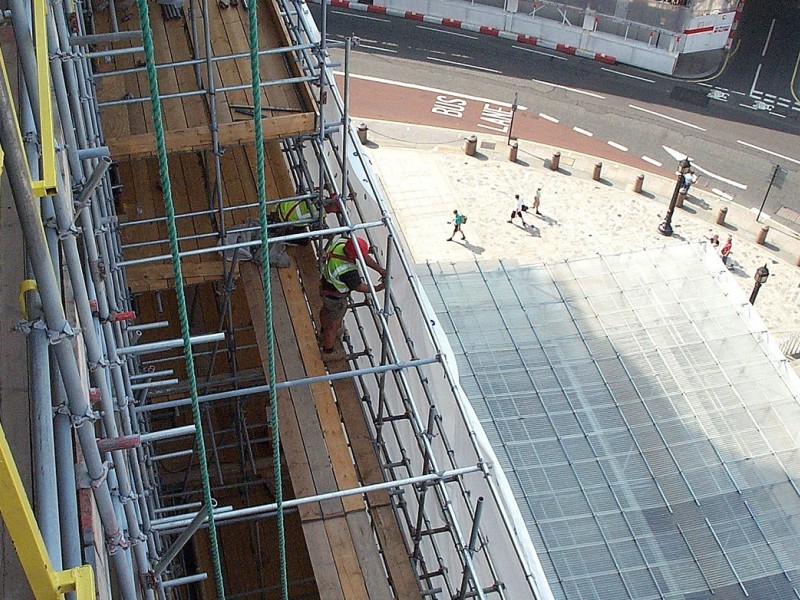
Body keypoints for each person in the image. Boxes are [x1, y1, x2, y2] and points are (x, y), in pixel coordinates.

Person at [319, 235, 386, 354]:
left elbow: (363, 256)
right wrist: (378, 288)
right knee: (333, 326)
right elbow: (359, 287)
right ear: (351, 256)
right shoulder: (347, 271)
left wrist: (380, 270)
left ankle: (323, 329)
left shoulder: (342, 242)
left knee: (325, 311)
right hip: (335, 298)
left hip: (326, 286)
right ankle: (327, 350)